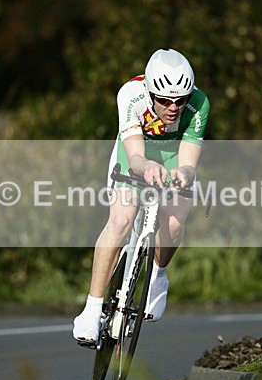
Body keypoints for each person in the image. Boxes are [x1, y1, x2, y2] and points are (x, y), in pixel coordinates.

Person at [73, 48, 210, 343]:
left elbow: (188, 161)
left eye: (180, 101)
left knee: (173, 223)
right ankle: (92, 307)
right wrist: (145, 165)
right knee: (121, 220)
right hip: (136, 150)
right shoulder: (130, 94)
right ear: (149, 92)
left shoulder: (199, 104)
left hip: (174, 153)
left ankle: (158, 277)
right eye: (163, 101)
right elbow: (135, 154)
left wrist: (184, 175)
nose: (173, 108)